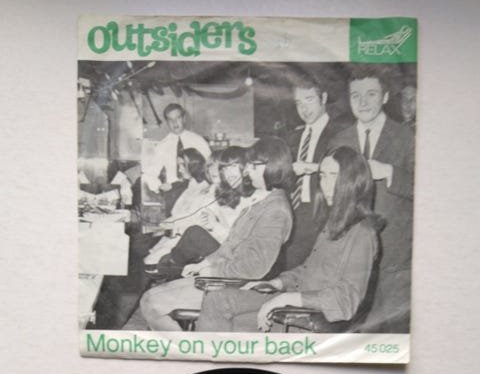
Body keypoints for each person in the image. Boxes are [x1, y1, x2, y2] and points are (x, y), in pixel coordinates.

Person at [196, 147, 381, 332]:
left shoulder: (362, 233)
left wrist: (287, 299)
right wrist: (277, 283)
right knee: (217, 299)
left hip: (306, 316)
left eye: (334, 176)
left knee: (221, 312)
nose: (326, 185)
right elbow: (308, 271)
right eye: (322, 176)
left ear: (353, 182)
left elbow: (346, 299)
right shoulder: (334, 223)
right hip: (293, 301)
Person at [138, 136, 294, 331]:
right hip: (228, 278)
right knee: (149, 300)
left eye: (253, 166)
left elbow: (254, 267)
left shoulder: (276, 210)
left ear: (271, 167)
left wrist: (213, 271)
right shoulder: (262, 200)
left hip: (239, 286)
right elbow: (232, 244)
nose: (247, 170)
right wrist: (206, 263)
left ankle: (187, 348)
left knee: (152, 303)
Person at [330, 65, 415, 330]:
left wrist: (390, 172)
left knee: (394, 334)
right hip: (351, 257)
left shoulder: (407, 137)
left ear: (385, 97)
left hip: (395, 256)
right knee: (356, 334)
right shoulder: (339, 140)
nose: (363, 102)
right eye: (355, 96)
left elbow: (431, 190)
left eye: (371, 94)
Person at [143, 146, 254, 281]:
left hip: (232, 254)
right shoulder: (220, 192)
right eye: (224, 169)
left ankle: (170, 265)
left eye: (231, 168)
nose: (214, 174)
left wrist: (214, 226)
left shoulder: (246, 199)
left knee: (193, 233)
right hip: (219, 245)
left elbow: (236, 241)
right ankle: (170, 265)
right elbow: (195, 215)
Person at [283, 73, 341, 268]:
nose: (304, 109)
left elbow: (346, 170)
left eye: (309, 100)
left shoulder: (340, 133)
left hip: (323, 212)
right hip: (293, 211)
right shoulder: (292, 136)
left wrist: (313, 168)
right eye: (298, 103)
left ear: (323, 98)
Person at [142, 103, 211, 214]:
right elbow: (149, 173)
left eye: (177, 118)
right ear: (167, 122)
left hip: (197, 193)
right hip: (173, 195)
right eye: (170, 120)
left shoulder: (199, 141)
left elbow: (210, 167)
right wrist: (159, 186)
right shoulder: (162, 145)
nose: (175, 123)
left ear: (184, 118)